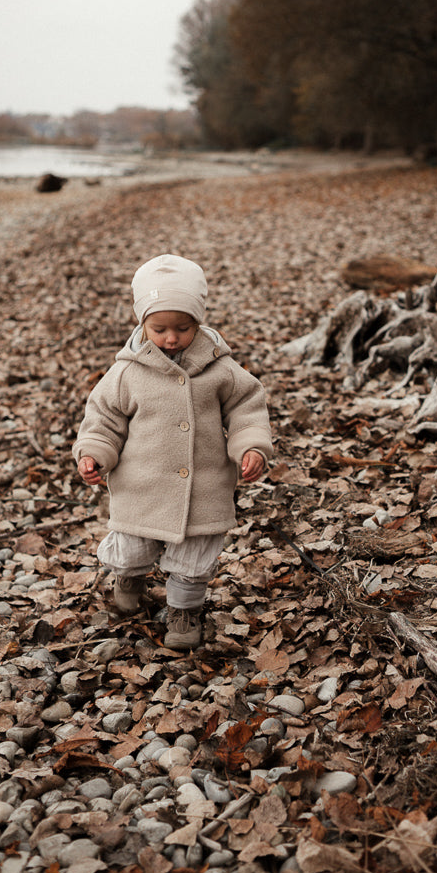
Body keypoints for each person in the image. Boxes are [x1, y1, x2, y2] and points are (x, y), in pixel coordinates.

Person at [73, 254, 272, 650]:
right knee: (132, 546)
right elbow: (104, 420)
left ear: (198, 322)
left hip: (204, 481)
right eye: (158, 328)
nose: (170, 338)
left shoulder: (220, 367)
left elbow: (246, 409)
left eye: (183, 327)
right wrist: (94, 453)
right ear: (141, 323)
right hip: (140, 482)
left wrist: (251, 446)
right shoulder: (127, 372)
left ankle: (183, 610)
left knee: (194, 555)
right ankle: (128, 577)